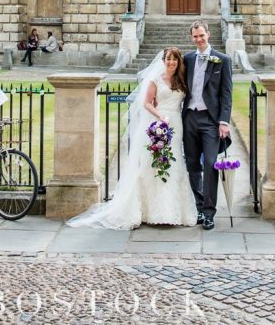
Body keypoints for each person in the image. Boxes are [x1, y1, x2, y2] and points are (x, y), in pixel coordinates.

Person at [67, 47, 197, 229]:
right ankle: (150, 210)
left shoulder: (181, 79)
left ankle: (173, 211)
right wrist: (160, 117)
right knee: (154, 164)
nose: (171, 63)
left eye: (175, 60)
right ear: (163, 60)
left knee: (174, 164)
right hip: (159, 123)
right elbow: (146, 103)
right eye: (168, 59)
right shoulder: (155, 80)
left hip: (176, 124)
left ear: (179, 62)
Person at [182, 19, 233, 231]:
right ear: (191, 37)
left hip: (211, 121)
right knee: (192, 165)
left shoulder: (223, 60)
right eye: (195, 36)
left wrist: (224, 121)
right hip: (190, 119)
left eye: (201, 35)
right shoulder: (188, 59)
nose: (199, 39)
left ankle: (210, 212)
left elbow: (226, 93)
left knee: (211, 164)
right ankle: (200, 207)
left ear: (208, 34)